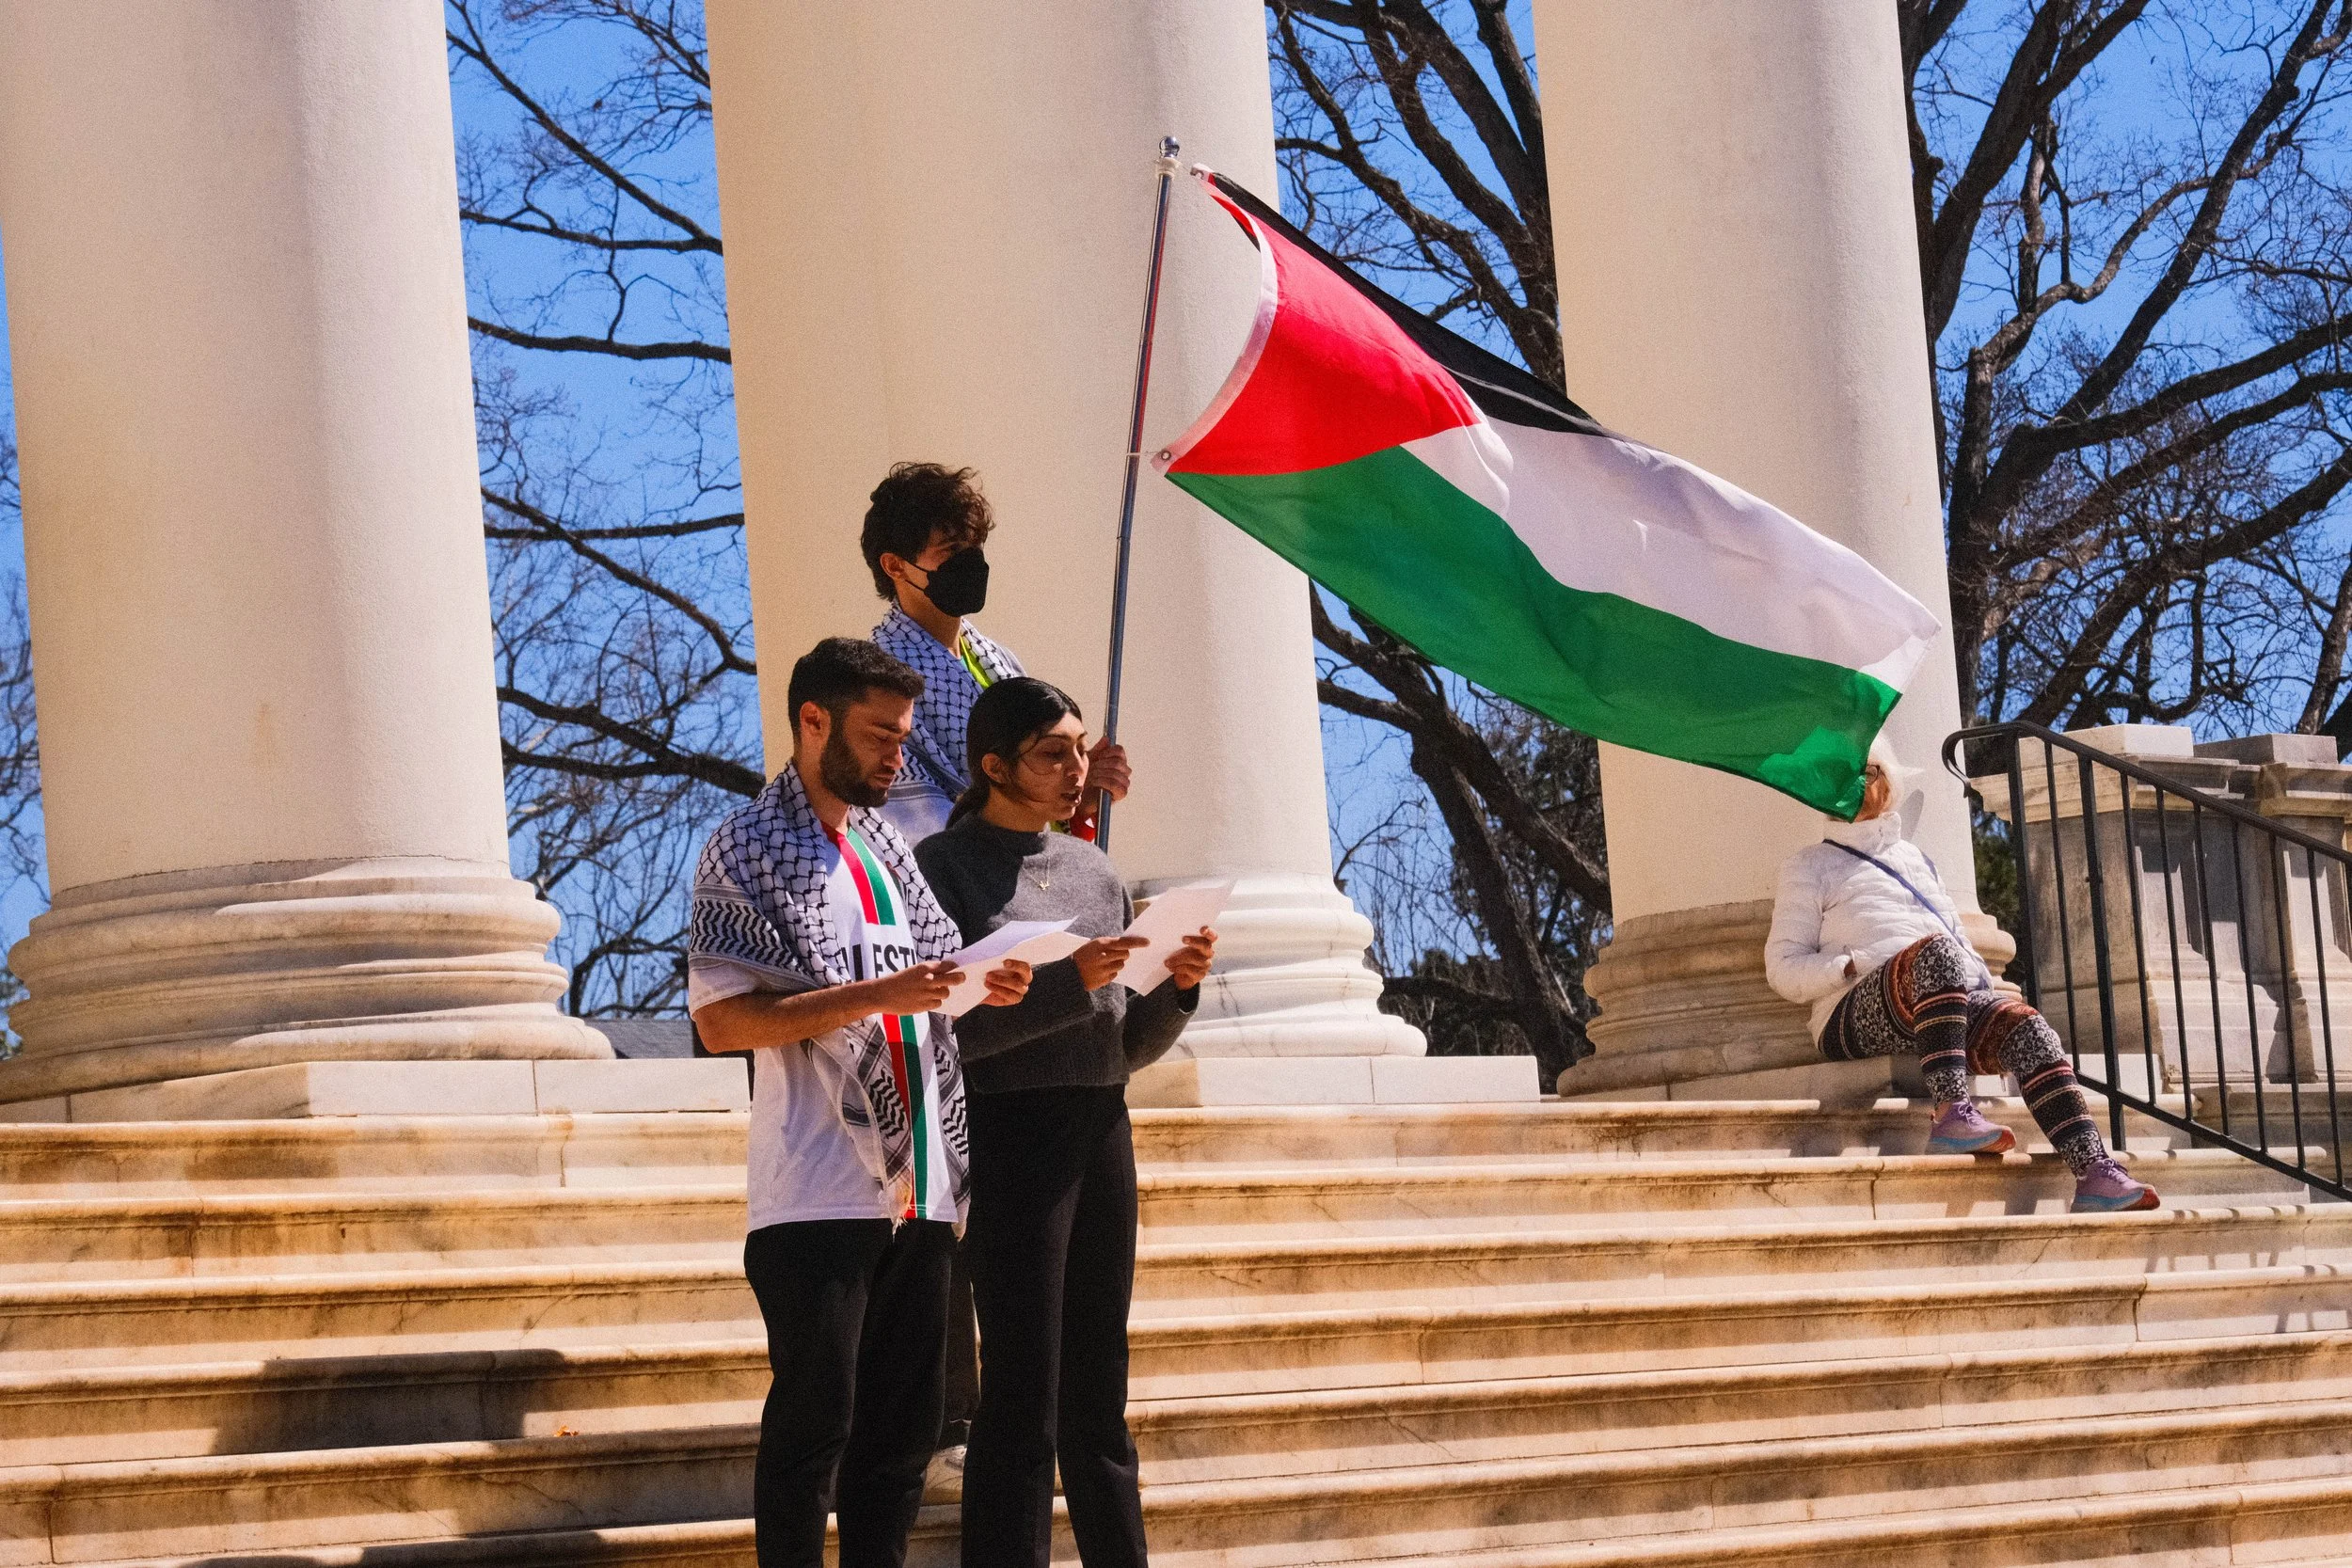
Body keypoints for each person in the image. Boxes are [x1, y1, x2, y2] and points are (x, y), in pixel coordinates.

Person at [687, 637, 1034, 1568]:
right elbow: (723, 1020)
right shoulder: (746, 846)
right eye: (880, 734)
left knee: (900, 1440)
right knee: (813, 1434)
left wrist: (975, 981)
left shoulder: (886, 845)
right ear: (812, 720)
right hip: (814, 1192)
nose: (898, 755)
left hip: (915, 1181)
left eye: (905, 735)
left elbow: (925, 978)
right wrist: (882, 994)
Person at [914, 678, 1216, 1568]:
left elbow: (1120, 1043)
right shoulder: (945, 868)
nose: (1077, 768)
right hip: (1007, 1136)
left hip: (1100, 1128)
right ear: (994, 764)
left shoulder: (1095, 872)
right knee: (1021, 1389)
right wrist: (1065, 981)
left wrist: (1179, 986)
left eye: (1081, 747)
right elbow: (948, 1028)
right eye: (1054, 752)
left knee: (1100, 1386)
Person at [1765, 739, 2160, 1213]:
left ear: (1889, 781)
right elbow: (1783, 969)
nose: (1859, 783)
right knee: (1936, 955)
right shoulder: (1809, 865)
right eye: (1845, 775)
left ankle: (2096, 1171)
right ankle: (1952, 1111)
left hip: (1932, 1003)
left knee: (2025, 1023)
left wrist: (1991, 1009)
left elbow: (1958, 940)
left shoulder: (1916, 860)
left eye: (1869, 771)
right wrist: (1848, 965)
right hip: (1847, 1015)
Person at [864, 461, 1129, 841]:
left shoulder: (997, 660)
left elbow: (1034, 787)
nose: (970, 561)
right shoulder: (879, 684)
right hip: (958, 884)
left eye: (974, 547)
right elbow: (914, 823)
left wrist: (1077, 783)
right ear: (895, 566)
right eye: (951, 550)